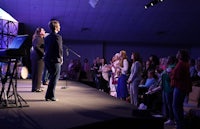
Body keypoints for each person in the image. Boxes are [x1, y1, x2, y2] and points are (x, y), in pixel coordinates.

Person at [170, 49, 192, 129]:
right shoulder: (185, 63)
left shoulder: (181, 64)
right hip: (182, 87)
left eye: (178, 53)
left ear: (180, 55)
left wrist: (171, 73)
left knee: (175, 106)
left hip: (179, 87)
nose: (176, 54)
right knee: (178, 106)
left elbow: (177, 76)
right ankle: (180, 124)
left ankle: (179, 125)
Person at [44, 19, 63, 101]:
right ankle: (51, 96)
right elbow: (59, 49)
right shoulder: (58, 37)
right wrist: (61, 58)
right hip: (55, 60)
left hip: (47, 59)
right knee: (54, 78)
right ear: (56, 27)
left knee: (52, 78)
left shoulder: (47, 37)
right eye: (59, 25)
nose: (60, 27)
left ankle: (48, 95)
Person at [30, 27, 46, 92]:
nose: (44, 31)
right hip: (38, 57)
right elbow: (37, 47)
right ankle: (37, 88)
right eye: (43, 30)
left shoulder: (36, 38)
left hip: (35, 57)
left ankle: (35, 87)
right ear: (40, 32)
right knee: (38, 73)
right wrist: (43, 53)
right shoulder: (39, 38)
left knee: (36, 73)